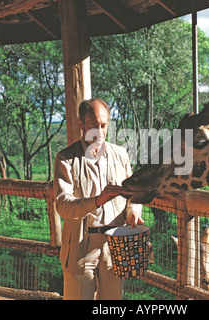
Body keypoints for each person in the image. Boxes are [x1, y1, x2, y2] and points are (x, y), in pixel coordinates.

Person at [53, 98, 143, 300]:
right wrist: (97, 200)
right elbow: (63, 207)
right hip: (80, 247)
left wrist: (133, 212)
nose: (100, 132)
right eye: (94, 126)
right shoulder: (65, 159)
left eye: (104, 125)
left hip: (116, 245)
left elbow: (133, 196)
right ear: (81, 125)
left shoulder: (121, 155)